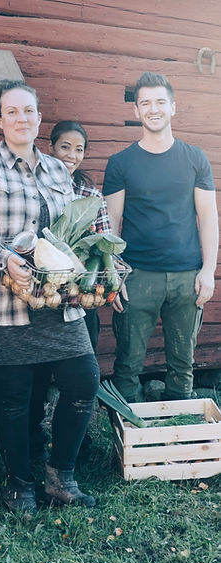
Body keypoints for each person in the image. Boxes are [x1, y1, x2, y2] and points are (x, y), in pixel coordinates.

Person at [0, 83, 100, 513]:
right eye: (12, 112)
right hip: (3, 304)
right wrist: (4, 258)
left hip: (58, 303)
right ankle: (20, 484)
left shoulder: (59, 172)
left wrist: (92, 262)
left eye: (29, 112)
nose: (22, 118)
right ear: (0, 121)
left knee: (83, 382)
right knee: (14, 398)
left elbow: (70, 233)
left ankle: (60, 476)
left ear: (39, 119)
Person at [103, 72, 218, 402]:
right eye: (146, 103)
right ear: (136, 111)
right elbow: (110, 223)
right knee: (127, 366)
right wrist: (115, 276)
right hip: (137, 277)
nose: (153, 109)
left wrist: (208, 271)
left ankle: (179, 443)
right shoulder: (121, 163)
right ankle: (127, 446)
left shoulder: (195, 158)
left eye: (160, 102)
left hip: (187, 277)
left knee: (183, 366)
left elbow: (208, 218)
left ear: (173, 107)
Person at [28, 120, 112, 460]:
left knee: (80, 375)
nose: (72, 156)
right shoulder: (34, 186)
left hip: (80, 299)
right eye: (65, 147)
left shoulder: (91, 195)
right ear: (51, 148)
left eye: (79, 149)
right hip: (39, 296)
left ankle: (77, 442)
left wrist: (109, 281)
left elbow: (107, 244)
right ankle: (33, 442)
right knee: (35, 375)